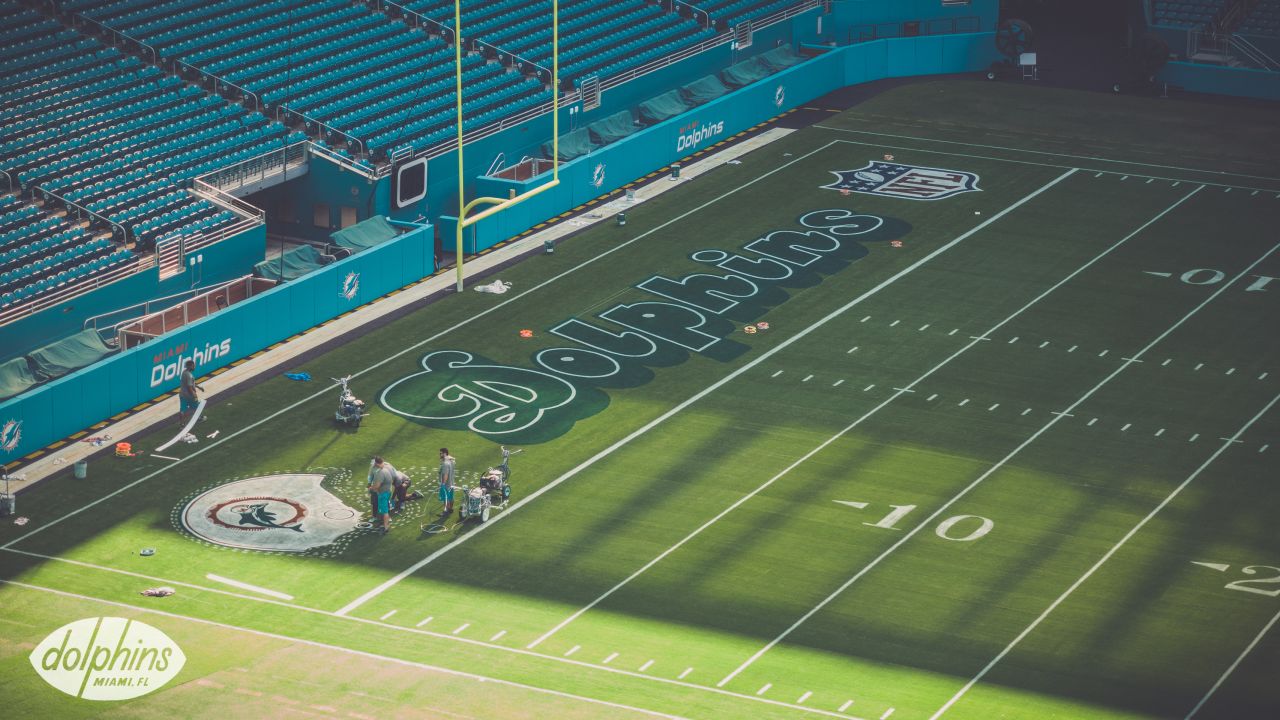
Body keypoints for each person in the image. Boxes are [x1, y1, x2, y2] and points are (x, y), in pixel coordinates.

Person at [367, 456, 395, 533]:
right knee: (384, 508)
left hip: (383, 494)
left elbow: (377, 486)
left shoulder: (380, 473)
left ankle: (386, 527)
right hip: (388, 491)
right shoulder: (386, 469)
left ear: (377, 464)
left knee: (384, 510)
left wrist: (371, 488)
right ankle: (384, 524)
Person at [178, 360, 200, 425]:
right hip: (190, 396)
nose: (194, 367)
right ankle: (198, 418)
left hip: (182, 395)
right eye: (193, 366)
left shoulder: (184, 372)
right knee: (196, 407)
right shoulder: (189, 375)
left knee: (182, 410)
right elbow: (189, 387)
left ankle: (181, 424)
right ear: (190, 366)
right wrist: (194, 394)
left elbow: (190, 383)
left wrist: (199, 387)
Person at [438, 448, 456, 515]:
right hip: (452, 482)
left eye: (441, 453)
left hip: (446, 484)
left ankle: (446, 511)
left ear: (445, 453)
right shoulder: (452, 461)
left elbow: (445, 474)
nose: (440, 455)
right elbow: (453, 459)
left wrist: (443, 484)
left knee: (446, 498)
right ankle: (451, 509)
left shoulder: (445, 464)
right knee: (451, 497)